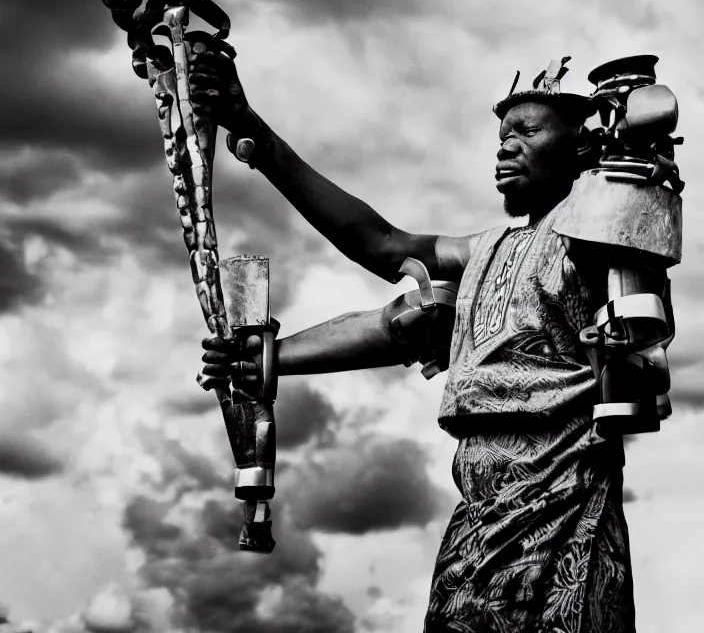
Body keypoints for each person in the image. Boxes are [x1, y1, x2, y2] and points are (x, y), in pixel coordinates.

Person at [192, 48, 637, 632]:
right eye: (501, 134)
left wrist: (629, 145)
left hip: (563, 517)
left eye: (528, 130)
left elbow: (626, 207)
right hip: (478, 529)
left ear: (580, 146)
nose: (506, 145)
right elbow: (380, 251)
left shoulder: (597, 232)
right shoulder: (485, 250)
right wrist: (269, 358)